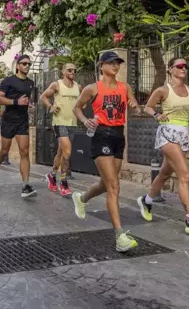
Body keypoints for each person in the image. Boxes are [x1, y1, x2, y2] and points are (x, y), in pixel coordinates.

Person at [71, 51, 140, 252]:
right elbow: (77, 108)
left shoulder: (124, 87)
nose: (115, 66)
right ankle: (120, 237)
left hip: (119, 135)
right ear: (101, 66)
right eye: (111, 63)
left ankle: (81, 198)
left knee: (105, 183)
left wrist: (135, 107)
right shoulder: (93, 88)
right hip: (101, 134)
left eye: (118, 63)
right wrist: (85, 120)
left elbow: (134, 107)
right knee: (113, 185)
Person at [138, 57, 189, 235]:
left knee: (164, 174)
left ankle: (146, 200)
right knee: (184, 175)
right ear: (170, 69)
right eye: (179, 66)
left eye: (185, 66)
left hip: (183, 134)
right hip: (167, 134)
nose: (183, 68)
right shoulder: (163, 90)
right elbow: (147, 107)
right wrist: (157, 115)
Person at [0, 55, 37, 198]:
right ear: (17, 65)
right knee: (4, 151)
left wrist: (30, 105)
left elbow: (27, 100)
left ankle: (25, 186)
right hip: (8, 120)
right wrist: (17, 102)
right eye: (24, 63)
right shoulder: (8, 80)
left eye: (29, 64)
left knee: (24, 151)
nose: (27, 66)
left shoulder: (30, 83)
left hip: (22, 121)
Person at [40, 62, 80, 197]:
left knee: (61, 153)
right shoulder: (56, 85)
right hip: (59, 123)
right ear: (63, 71)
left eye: (75, 70)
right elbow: (43, 97)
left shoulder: (78, 87)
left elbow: (82, 103)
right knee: (67, 152)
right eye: (69, 70)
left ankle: (52, 175)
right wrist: (50, 107)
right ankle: (63, 182)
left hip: (73, 123)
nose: (72, 72)